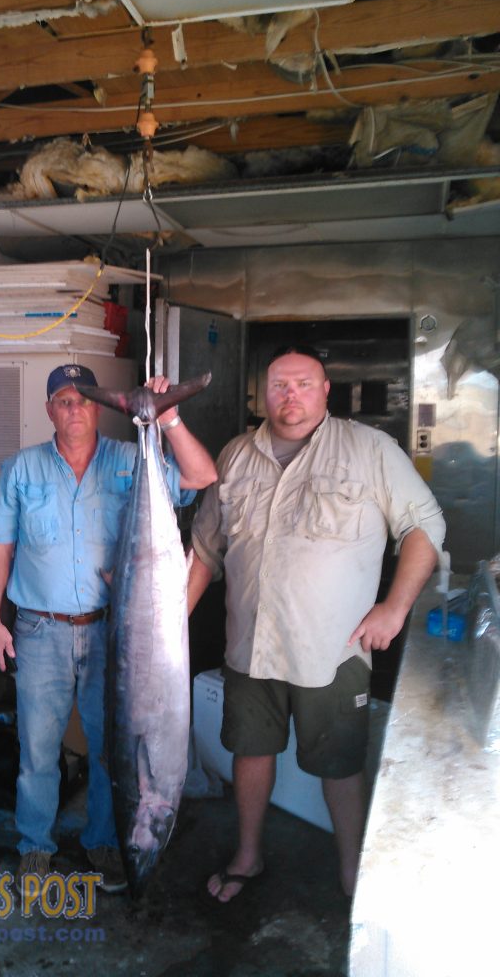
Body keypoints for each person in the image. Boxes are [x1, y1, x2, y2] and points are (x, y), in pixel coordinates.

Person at [187, 345, 445, 901]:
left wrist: (393, 608)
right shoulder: (235, 455)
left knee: (339, 765)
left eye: (304, 384)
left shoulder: (369, 449)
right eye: (280, 385)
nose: (291, 395)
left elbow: (425, 526)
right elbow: (205, 550)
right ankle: (249, 856)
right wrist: (169, 627)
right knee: (249, 752)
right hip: (249, 647)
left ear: (326, 390)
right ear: (265, 392)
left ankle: (354, 873)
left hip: (332, 650)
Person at [0, 363, 217, 892]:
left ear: (100, 408)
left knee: (116, 747)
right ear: (49, 411)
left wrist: (168, 419)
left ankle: (105, 840)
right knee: (37, 747)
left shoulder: (132, 458)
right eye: (64, 400)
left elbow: (200, 478)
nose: (75, 410)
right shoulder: (21, 470)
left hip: (117, 634)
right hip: (40, 631)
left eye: (84, 400)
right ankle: (34, 844)